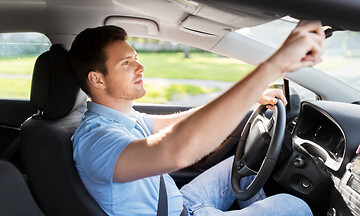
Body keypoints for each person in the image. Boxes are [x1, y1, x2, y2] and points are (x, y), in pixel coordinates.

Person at [69, 20, 324, 216]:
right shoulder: (97, 140)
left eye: (136, 58)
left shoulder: (118, 118)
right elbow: (175, 150)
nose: (140, 67)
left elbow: (170, 126)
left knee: (245, 163)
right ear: (97, 79)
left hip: (180, 203)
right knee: (292, 205)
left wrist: (249, 98)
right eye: (126, 63)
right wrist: (273, 66)